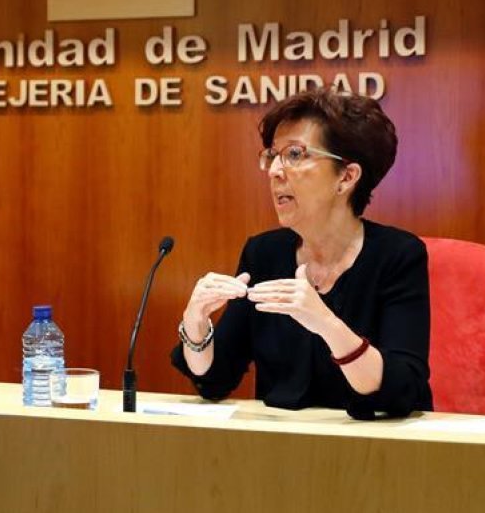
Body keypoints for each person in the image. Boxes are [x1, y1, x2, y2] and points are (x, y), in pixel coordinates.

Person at [172, 90, 432, 419]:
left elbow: (402, 388)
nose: (274, 171)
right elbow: (214, 381)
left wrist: (324, 322)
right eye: (273, 155)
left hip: (375, 454)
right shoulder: (264, 254)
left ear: (347, 177)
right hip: (283, 452)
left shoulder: (397, 256)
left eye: (294, 154)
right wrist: (195, 325)